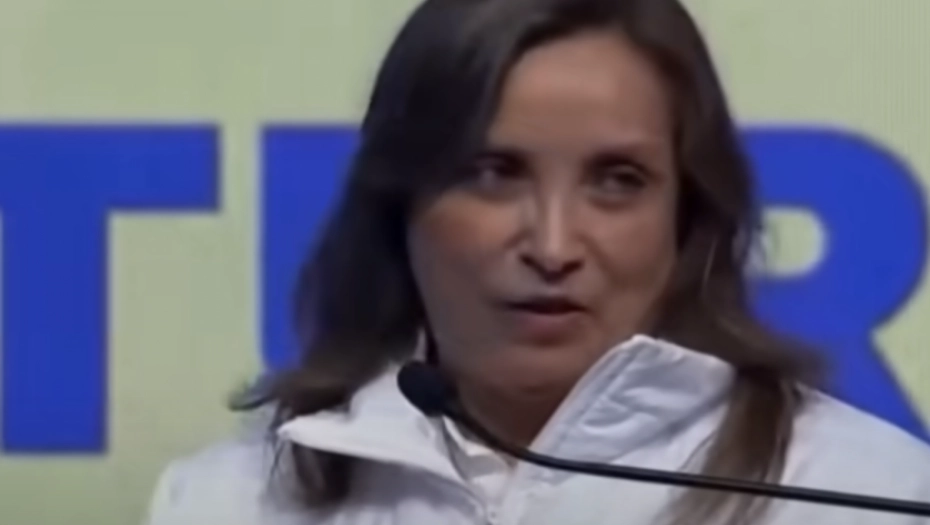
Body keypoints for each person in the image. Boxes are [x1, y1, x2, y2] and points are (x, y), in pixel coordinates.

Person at [143, 0, 930, 524]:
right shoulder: (228, 502)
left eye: (617, 181)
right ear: (399, 200)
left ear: (689, 213)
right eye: (493, 173)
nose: (553, 247)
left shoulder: (867, 496)